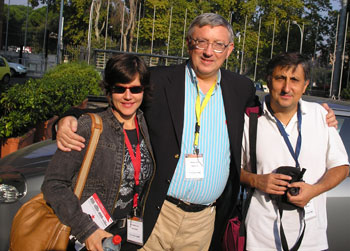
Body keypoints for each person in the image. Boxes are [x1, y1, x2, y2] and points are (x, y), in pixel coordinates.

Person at [54, 15, 337, 250]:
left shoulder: (241, 89)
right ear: (190, 44)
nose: (208, 51)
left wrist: (321, 115)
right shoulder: (162, 80)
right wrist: (71, 117)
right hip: (158, 212)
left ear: (229, 49)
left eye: (217, 44)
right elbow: (121, 101)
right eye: (201, 42)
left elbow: (278, 105)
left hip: (205, 221)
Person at [42, 54, 155, 251]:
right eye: (120, 89)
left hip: (129, 237)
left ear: (143, 90)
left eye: (135, 89)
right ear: (109, 90)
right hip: (91, 238)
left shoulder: (146, 125)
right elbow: (53, 184)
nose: (128, 96)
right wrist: (86, 229)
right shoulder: (90, 126)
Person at [240, 52, 349, 251]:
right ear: (269, 81)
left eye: (294, 80)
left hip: (312, 238)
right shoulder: (250, 121)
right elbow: (230, 170)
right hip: (260, 238)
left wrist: (314, 190)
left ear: (305, 85)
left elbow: (341, 166)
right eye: (280, 78)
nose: (287, 88)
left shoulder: (320, 116)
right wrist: (256, 180)